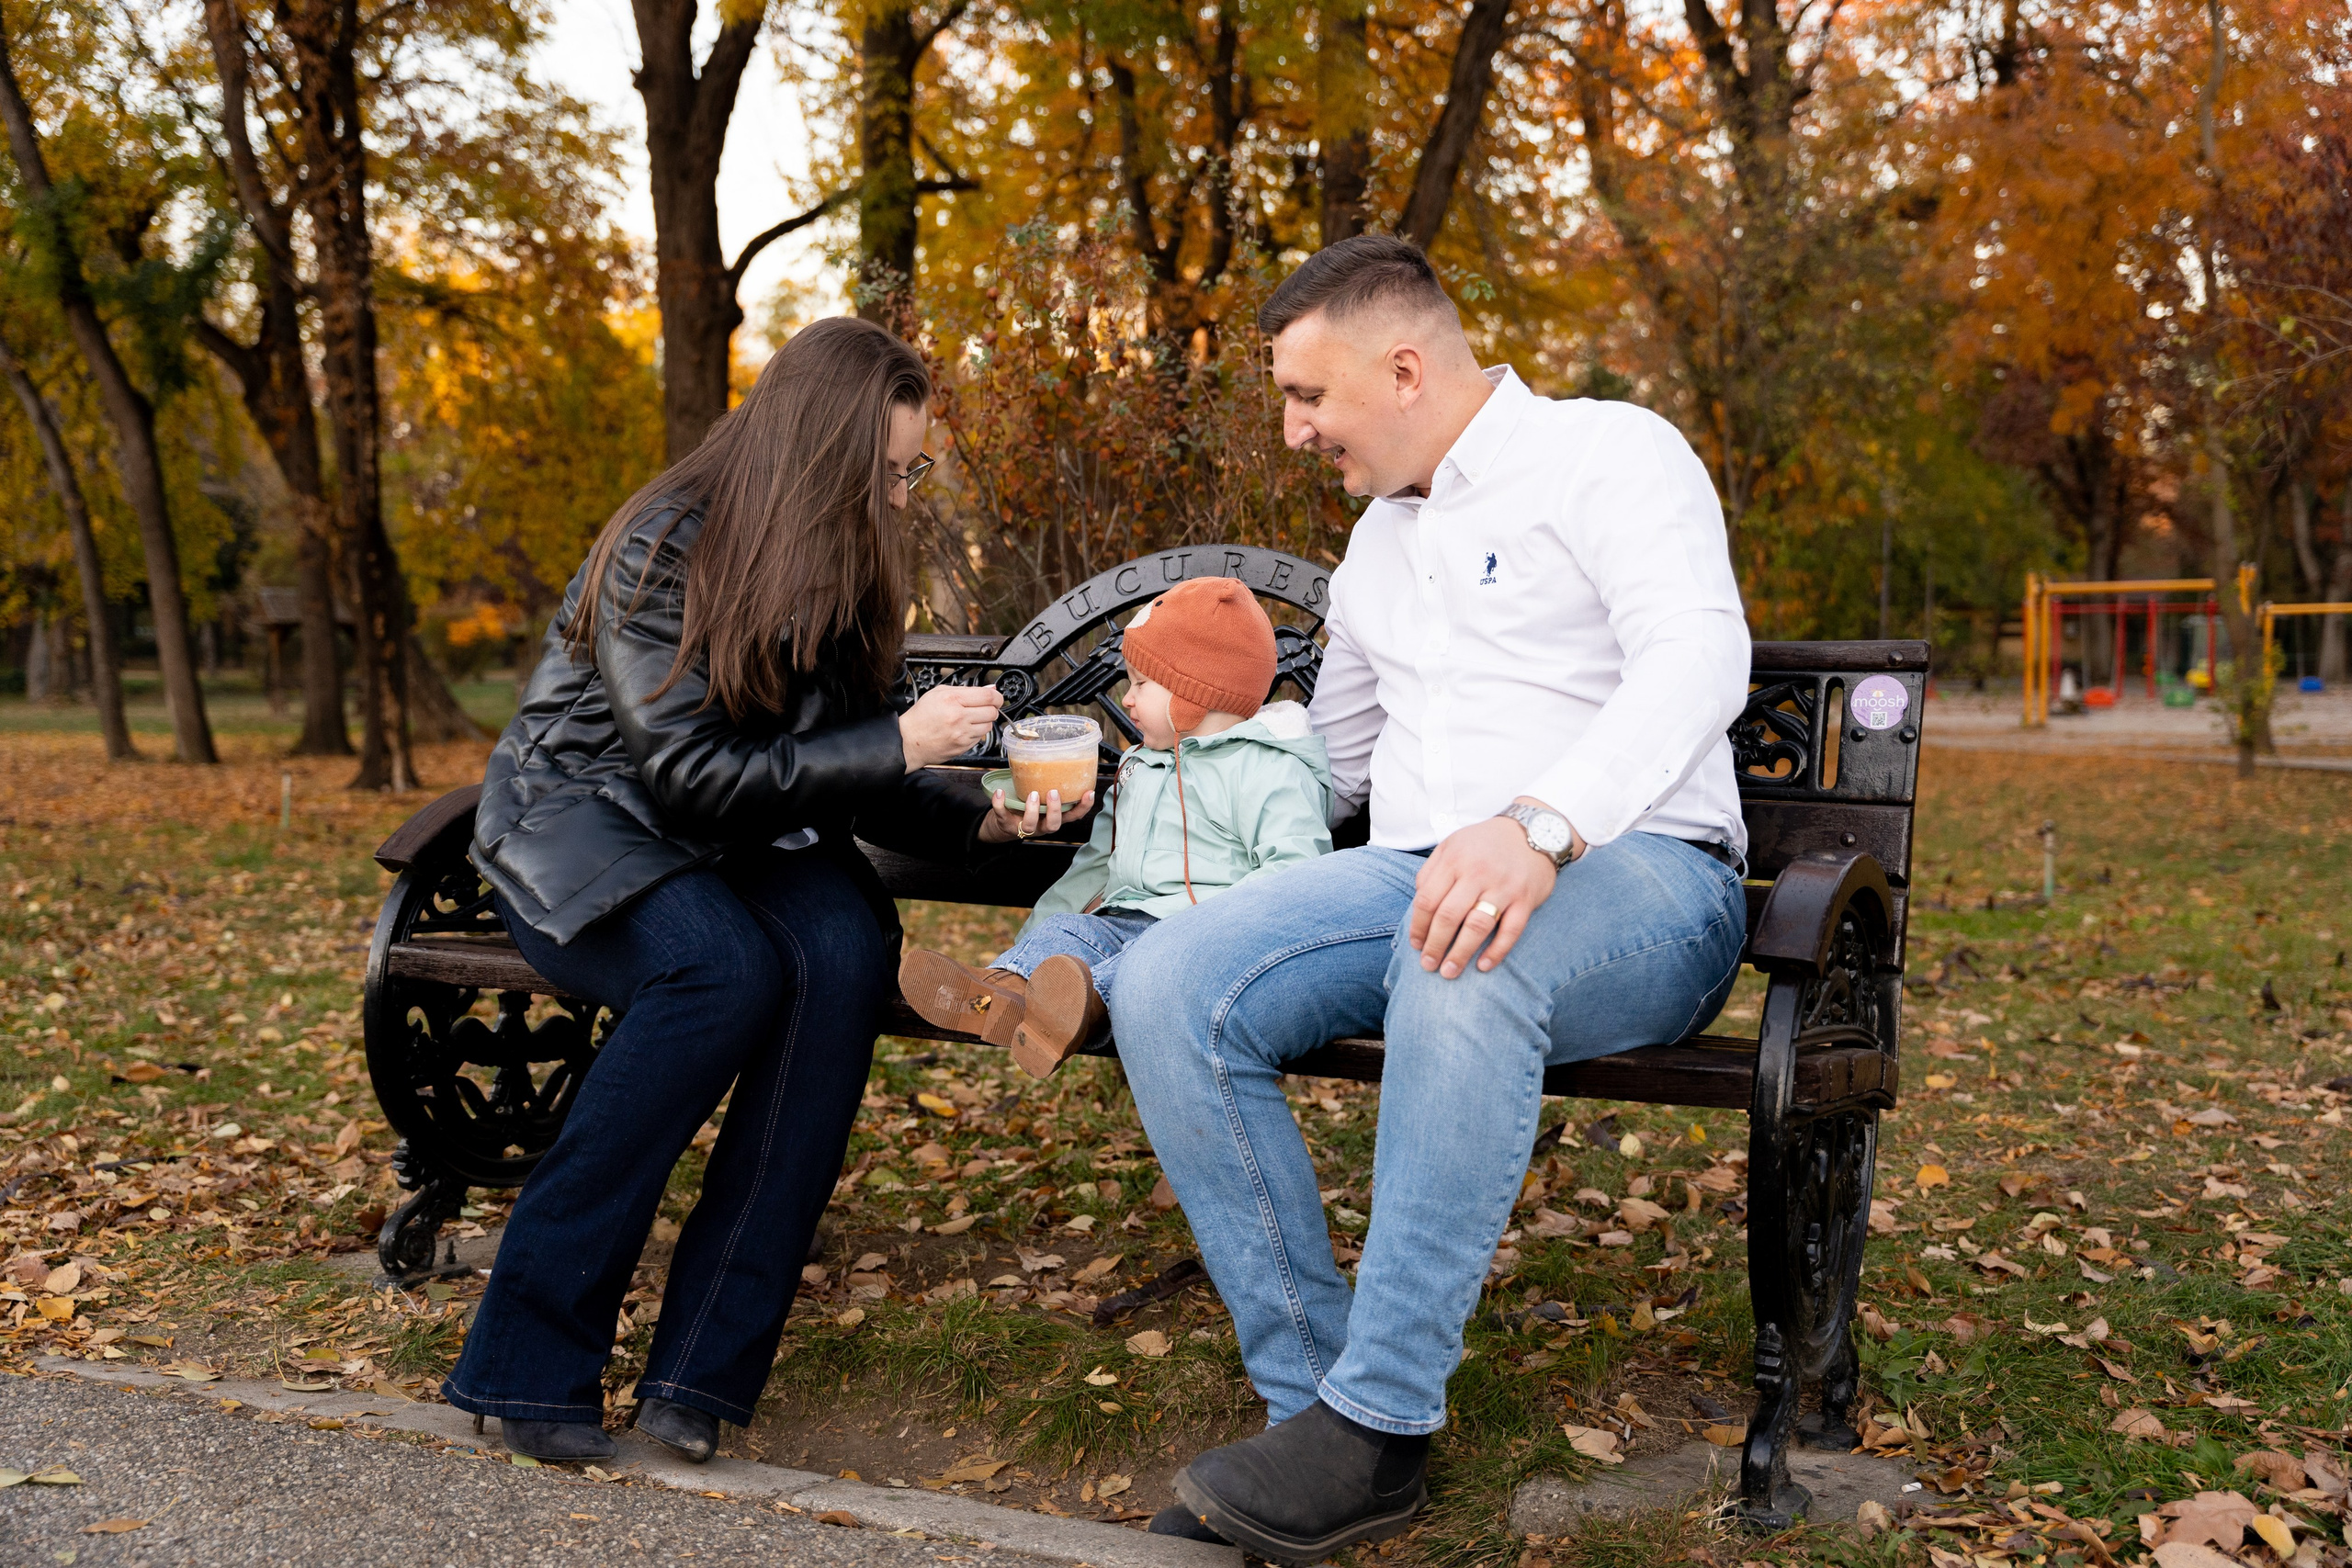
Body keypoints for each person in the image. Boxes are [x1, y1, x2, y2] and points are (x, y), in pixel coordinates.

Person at [1115, 236, 1752, 1562]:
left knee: (1465, 954)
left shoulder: (1610, 455)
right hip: (1413, 874)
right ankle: (1324, 1416)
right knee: (1173, 979)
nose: (1295, 431)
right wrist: (1179, 764)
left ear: (1402, 368)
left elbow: (1699, 655)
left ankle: (1379, 1414)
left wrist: (1539, 823)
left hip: (1636, 872)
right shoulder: (1377, 542)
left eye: (1309, 396)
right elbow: (1332, 760)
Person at [445, 317, 1091, 1464]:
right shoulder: (662, 541)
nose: (900, 495)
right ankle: (525, 1362)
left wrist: (980, 814)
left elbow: (852, 770)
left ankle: (701, 1372)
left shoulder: (843, 556)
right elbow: (687, 774)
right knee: (720, 968)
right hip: (590, 826)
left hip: (742, 832)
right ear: (820, 450)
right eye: (885, 471)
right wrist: (898, 743)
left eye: (910, 471)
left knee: (840, 959)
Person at [899, 577, 1333, 1077]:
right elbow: (1096, 867)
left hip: (1206, 944)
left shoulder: (1270, 768)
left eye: (1142, 684)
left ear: (1195, 692)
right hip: (1121, 921)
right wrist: (1036, 936)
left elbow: (1295, 876)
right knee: (1070, 931)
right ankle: (1003, 991)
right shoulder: (1140, 767)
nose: (1127, 699)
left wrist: (1212, 931)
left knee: (1130, 969)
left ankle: (1071, 1011)